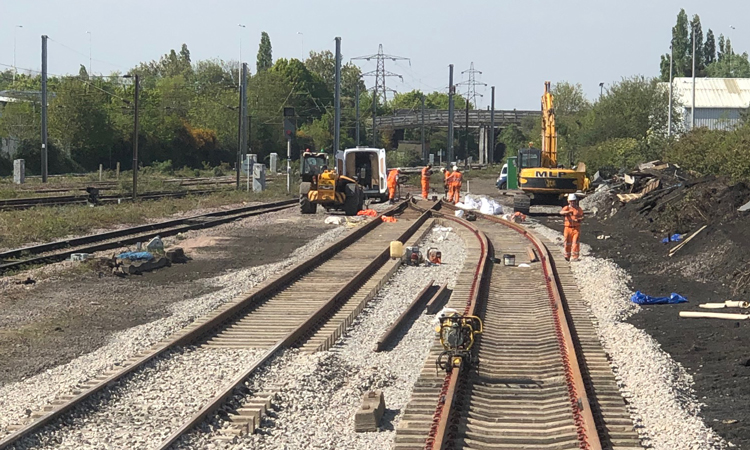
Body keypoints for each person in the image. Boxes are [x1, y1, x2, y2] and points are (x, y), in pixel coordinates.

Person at [560, 193, 584, 261]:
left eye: (573, 201)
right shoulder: (567, 208)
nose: (572, 202)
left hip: (576, 228)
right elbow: (561, 212)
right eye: (571, 201)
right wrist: (567, 212)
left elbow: (582, 216)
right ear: (569, 201)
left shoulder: (578, 209)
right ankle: (567, 255)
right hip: (568, 228)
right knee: (567, 242)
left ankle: (575, 256)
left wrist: (579, 219)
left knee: (575, 242)